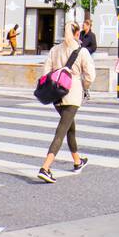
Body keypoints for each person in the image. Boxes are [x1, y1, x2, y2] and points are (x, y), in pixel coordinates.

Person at [36, 22, 95, 183]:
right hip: (72, 94)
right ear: (77, 34)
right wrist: (84, 86)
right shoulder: (81, 51)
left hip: (56, 95)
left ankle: (77, 161)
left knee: (70, 128)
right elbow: (90, 75)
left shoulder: (55, 50)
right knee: (61, 131)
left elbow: (46, 71)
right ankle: (45, 167)